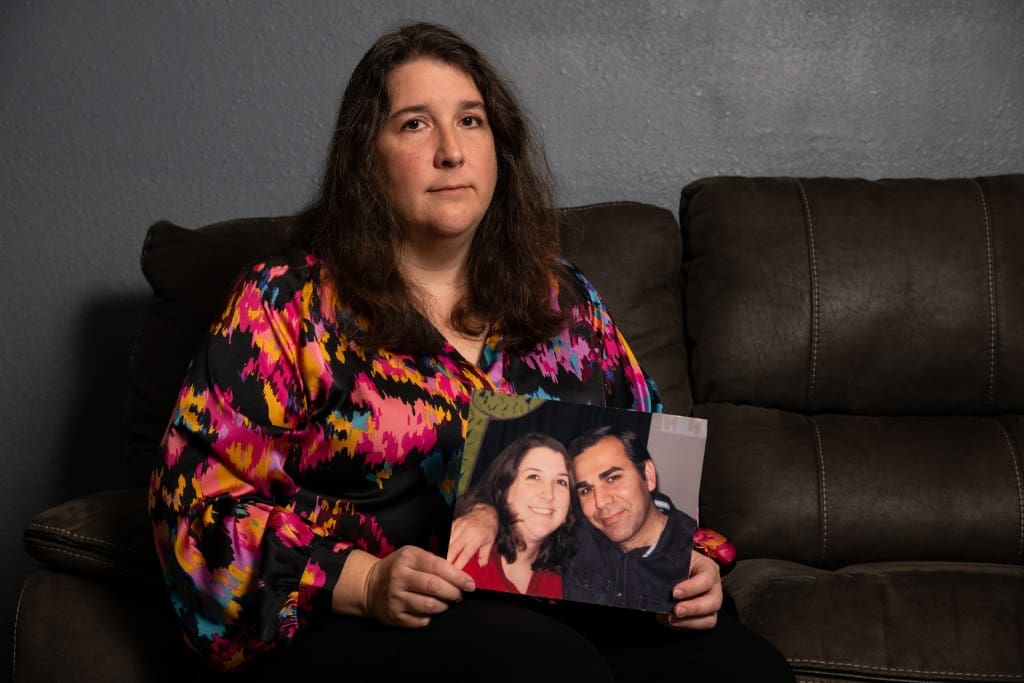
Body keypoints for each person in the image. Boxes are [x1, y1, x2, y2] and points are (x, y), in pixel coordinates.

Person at [148, 21, 794, 682]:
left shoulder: (563, 298)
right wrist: (364, 581)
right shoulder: (286, 302)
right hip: (369, 623)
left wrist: (689, 565)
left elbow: (649, 463)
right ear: (366, 159)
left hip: (569, 609)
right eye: (415, 125)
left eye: (470, 121)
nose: (451, 151)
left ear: (498, 148)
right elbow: (192, 510)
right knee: (542, 662)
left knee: (741, 665)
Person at [563, 426, 697, 613]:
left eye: (612, 479)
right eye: (586, 490)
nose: (600, 502)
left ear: (648, 476)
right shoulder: (574, 537)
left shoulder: (696, 555)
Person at [454, 433, 577, 599]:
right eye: (534, 477)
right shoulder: (467, 555)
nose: (549, 494)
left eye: (561, 482)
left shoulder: (556, 576)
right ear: (504, 489)